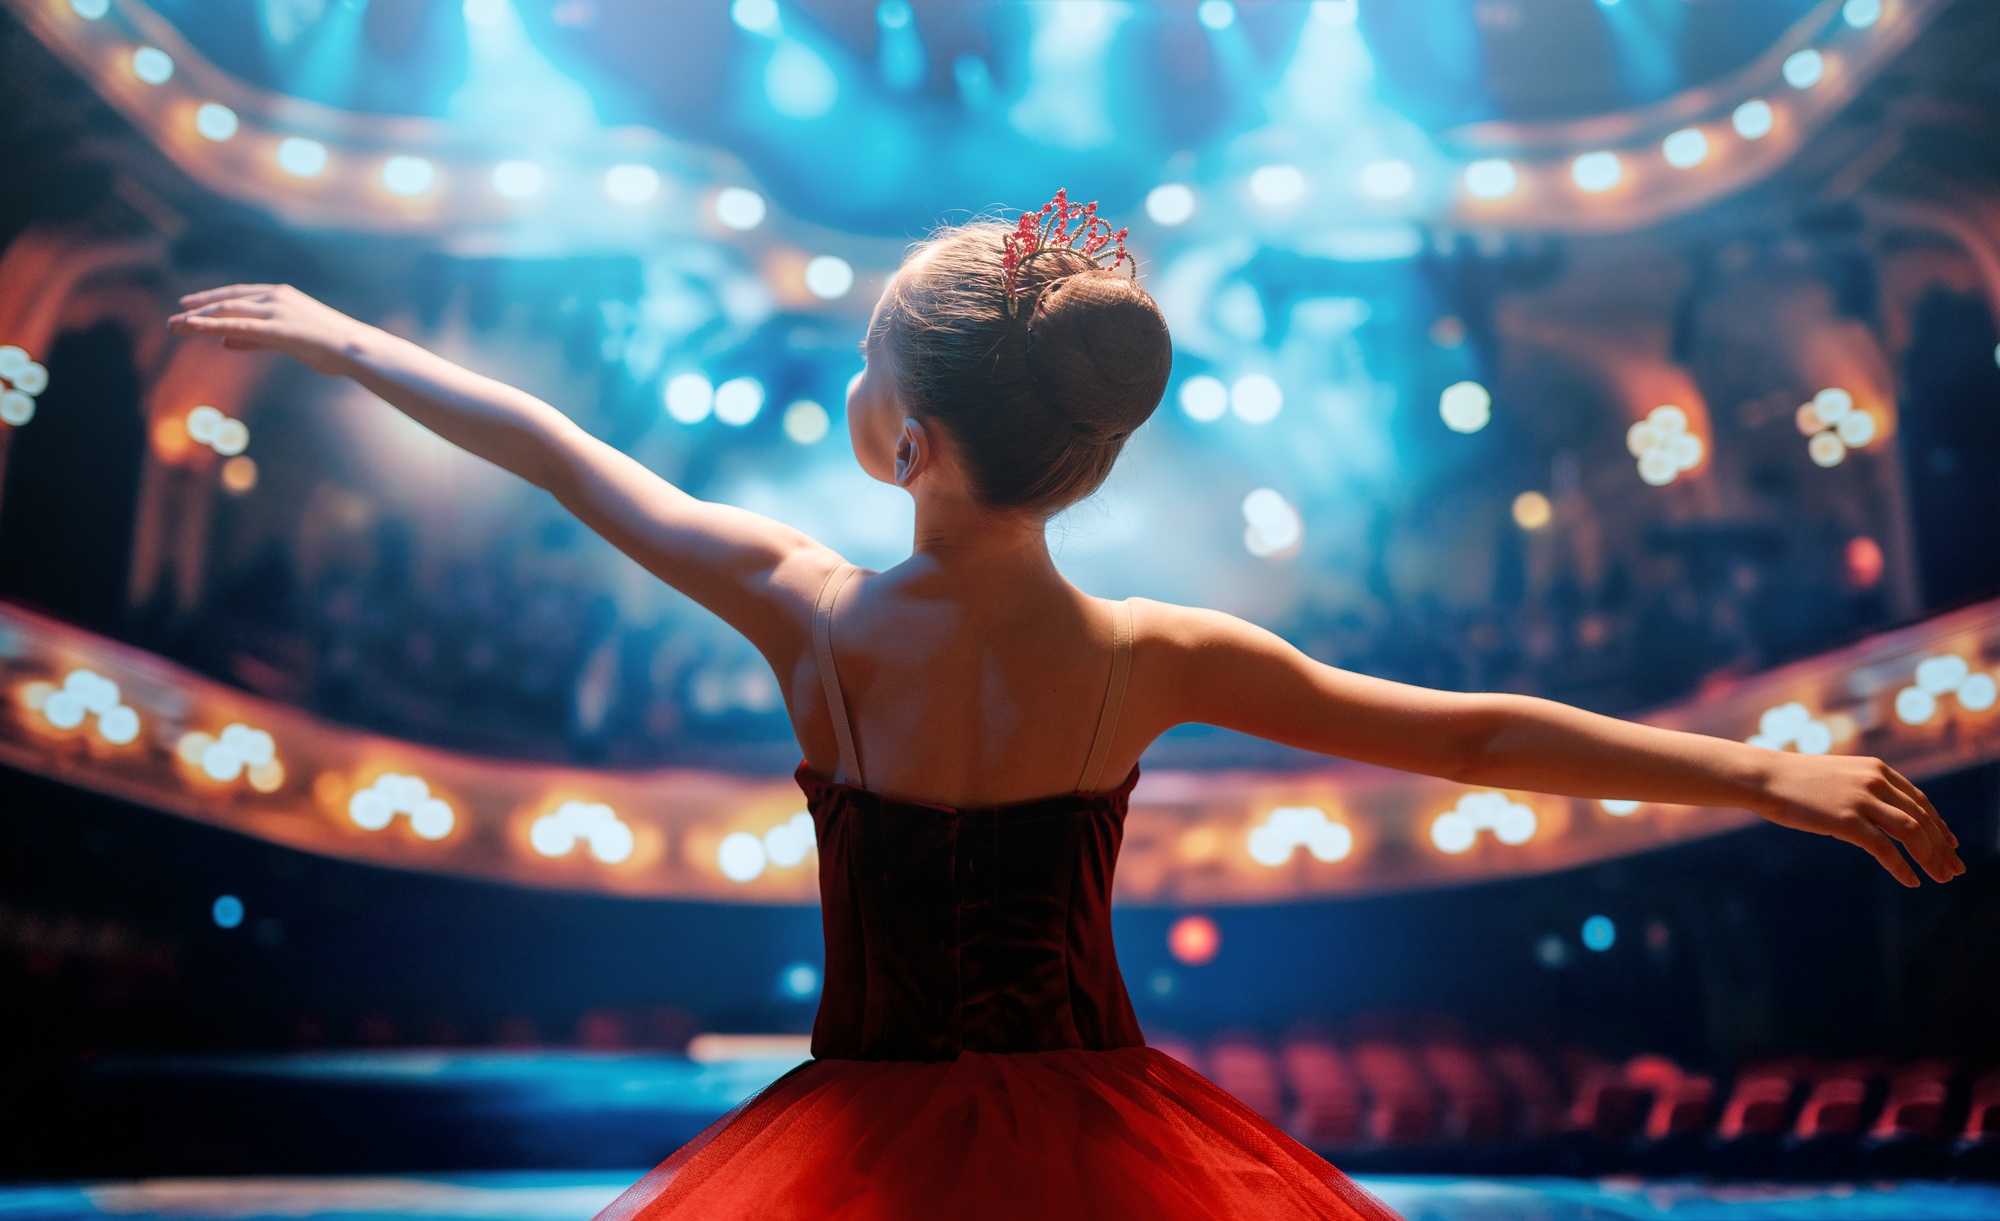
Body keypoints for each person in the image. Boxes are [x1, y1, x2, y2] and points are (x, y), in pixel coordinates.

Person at [170, 195, 1962, 1221]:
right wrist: (1756, 768)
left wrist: (352, 343)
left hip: (848, 1151)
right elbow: (1474, 734)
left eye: (872, 373)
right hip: (1114, 1149)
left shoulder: (806, 611)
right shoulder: (1143, 651)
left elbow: (563, 458)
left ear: (905, 437)